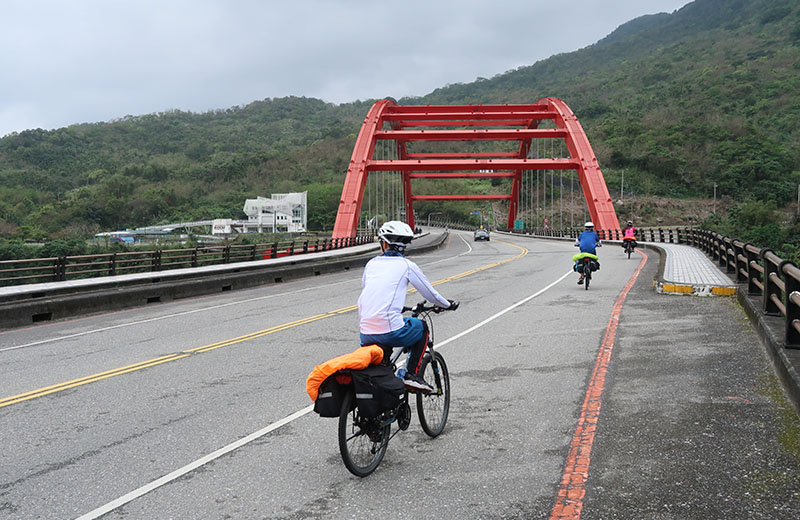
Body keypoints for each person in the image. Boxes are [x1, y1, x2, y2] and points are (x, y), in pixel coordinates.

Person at [358, 221, 458, 392]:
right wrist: (447, 304)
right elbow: (430, 295)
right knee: (421, 327)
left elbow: (371, 291)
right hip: (390, 331)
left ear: (384, 243)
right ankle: (411, 374)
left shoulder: (371, 264)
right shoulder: (407, 266)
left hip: (365, 333)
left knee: (384, 360)